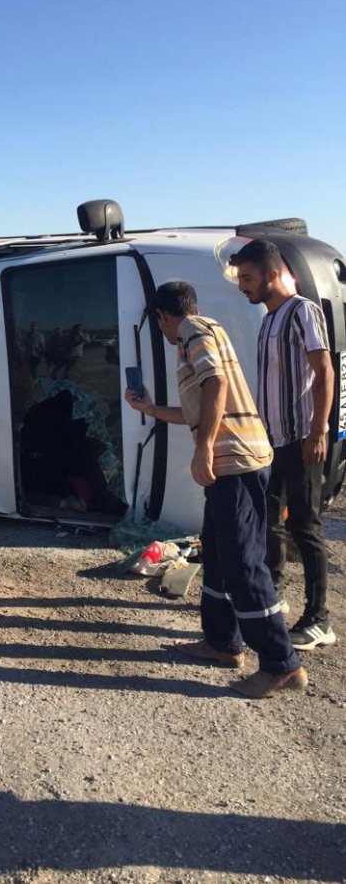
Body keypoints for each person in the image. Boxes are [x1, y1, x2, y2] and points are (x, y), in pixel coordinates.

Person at [126, 281, 306, 699]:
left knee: (244, 563)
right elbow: (198, 408)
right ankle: (223, 642)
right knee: (220, 553)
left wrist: (204, 450)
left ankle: (281, 663)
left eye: (159, 323)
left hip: (236, 464)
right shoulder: (206, 330)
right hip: (238, 462)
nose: (163, 331)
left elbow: (217, 386)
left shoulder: (193, 332)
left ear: (163, 316)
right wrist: (149, 408)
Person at [230, 238, 336, 650]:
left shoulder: (301, 311)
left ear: (273, 274)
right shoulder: (268, 319)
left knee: (304, 526)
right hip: (271, 441)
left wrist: (318, 430)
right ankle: (271, 593)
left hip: (301, 439)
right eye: (241, 279)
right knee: (268, 519)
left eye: (249, 278)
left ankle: (319, 618)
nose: (243, 286)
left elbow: (323, 372)